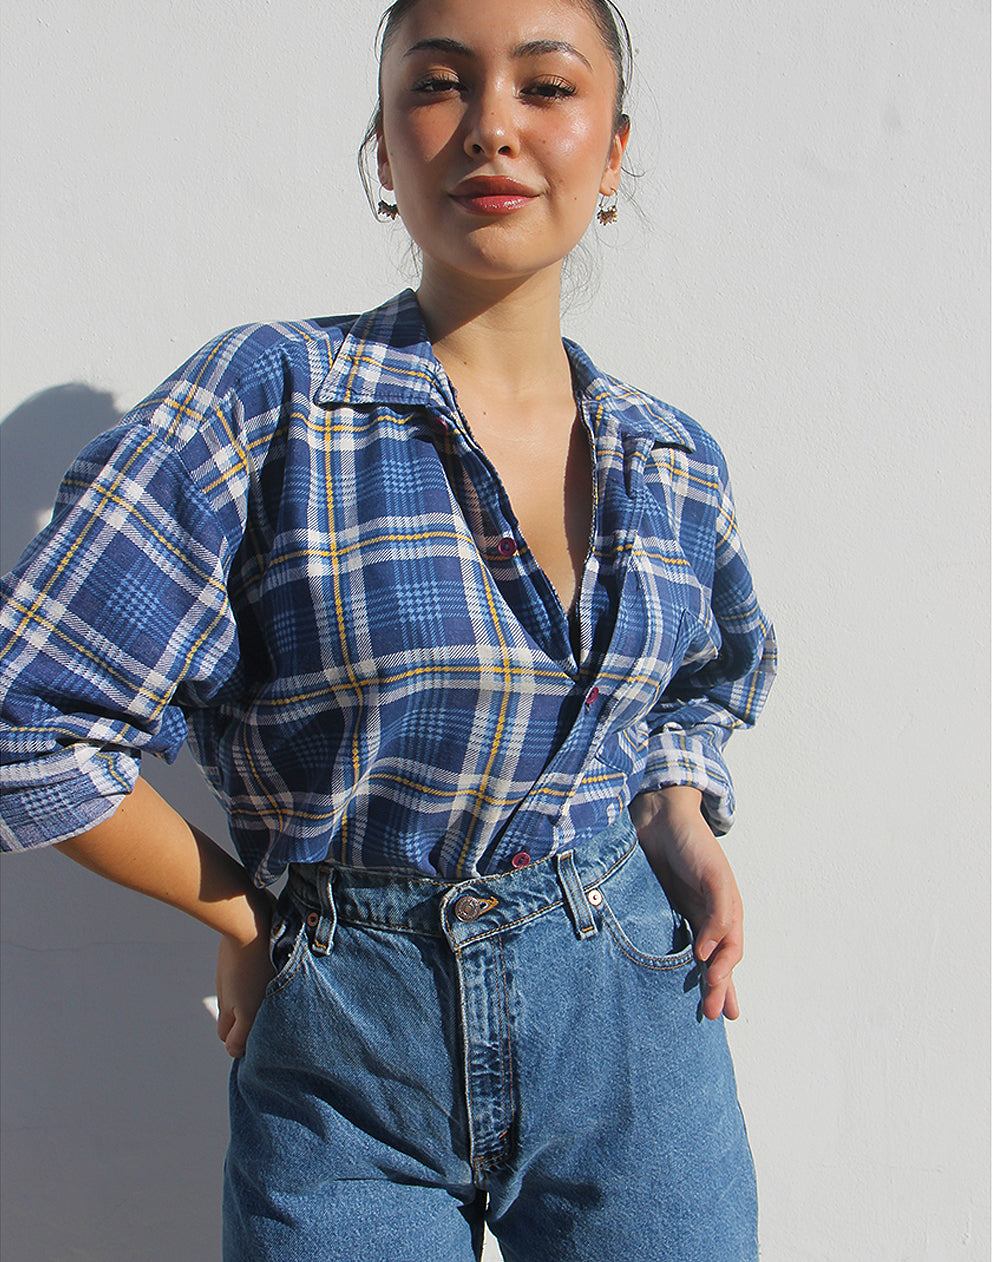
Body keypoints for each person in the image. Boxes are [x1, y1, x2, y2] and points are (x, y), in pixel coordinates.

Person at [0, 0, 776, 1257]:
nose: (489, 128)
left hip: (634, 1023)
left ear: (613, 150)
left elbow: (695, 684)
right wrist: (254, 918)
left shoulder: (671, 457)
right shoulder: (266, 403)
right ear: (381, 150)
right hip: (344, 1051)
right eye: (437, 85)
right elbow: (32, 719)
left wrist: (679, 820)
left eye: (543, 85)